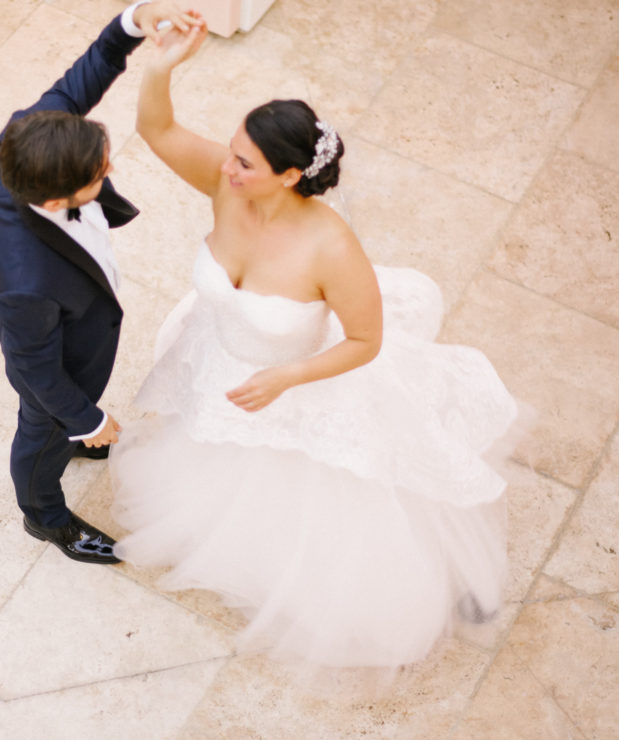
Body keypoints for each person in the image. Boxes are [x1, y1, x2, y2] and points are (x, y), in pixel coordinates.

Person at [109, 19, 521, 667]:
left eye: (244, 161)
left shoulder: (330, 246)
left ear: (291, 174)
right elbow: (158, 131)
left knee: (356, 497)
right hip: (224, 362)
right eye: (231, 151)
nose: (226, 166)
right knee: (229, 479)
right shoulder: (227, 184)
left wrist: (287, 377)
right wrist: (160, 67)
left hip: (299, 382)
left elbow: (363, 340)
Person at [0, 2, 203, 565]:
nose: (108, 169)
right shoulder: (26, 284)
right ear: (57, 200)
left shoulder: (26, 137)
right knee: (40, 435)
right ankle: (44, 516)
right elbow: (35, 370)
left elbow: (91, 67)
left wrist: (137, 20)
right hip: (56, 369)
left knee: (67, 425)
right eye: (99, 173)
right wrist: (87, 418)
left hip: (70, 326)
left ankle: (77, 437)